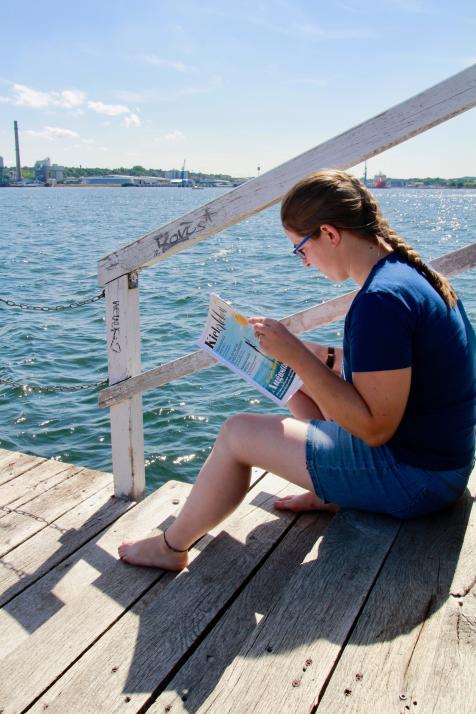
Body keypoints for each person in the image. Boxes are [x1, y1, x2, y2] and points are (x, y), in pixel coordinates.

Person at [118, 169, 476, 571]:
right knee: (296, 387)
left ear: (330, 233)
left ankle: (171, 547)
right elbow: (389, 370)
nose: (304, 263)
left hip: (418, 481)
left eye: (301, 249)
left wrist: (297, 357)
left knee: (237, 433)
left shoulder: (381, 301)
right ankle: (335, 490)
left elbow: (376, 428)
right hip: (441, 464)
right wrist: (311, 356)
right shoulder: (411, 276)